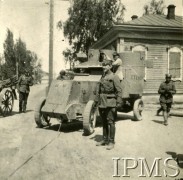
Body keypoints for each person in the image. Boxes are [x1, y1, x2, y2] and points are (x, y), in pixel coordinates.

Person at [94, 60, 122, 150]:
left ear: (110, 66)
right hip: (102, 102)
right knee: (104, 122)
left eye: (105, 66)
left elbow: (119, 91)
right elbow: (99, 90)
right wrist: (96, 100)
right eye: (103, 66)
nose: (104, 67)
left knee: (111, 122)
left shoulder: (114, 77)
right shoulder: (102, 76)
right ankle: (105, 139)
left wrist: (118, 103)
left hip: (110, 102)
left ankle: (111, 141)